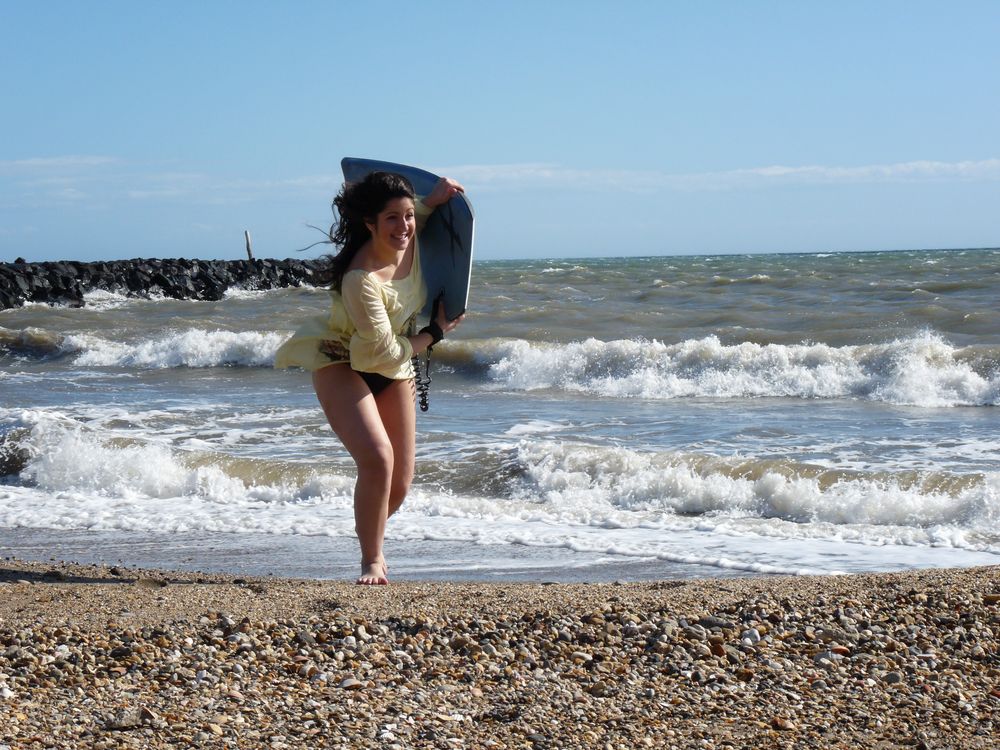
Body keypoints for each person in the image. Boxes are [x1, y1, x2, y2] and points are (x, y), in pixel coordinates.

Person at [275, 171, 464, 584]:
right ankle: (372, 560)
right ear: (370, 225)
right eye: (392, 219)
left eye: (408, 216)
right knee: (378, 460)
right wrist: (433, 335)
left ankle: (368, 525)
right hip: (341, 360)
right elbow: (379, 351)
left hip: (392, 364)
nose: (404, 227)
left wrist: (432, 201)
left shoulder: (410, 236)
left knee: (399, 483)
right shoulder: (360, 280)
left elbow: (420, 219)